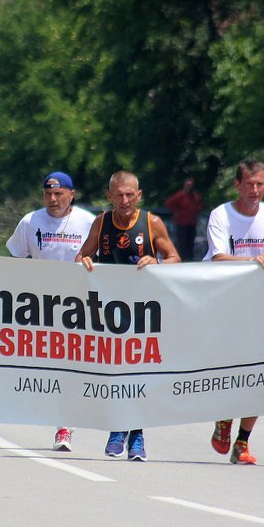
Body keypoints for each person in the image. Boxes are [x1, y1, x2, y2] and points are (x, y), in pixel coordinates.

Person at [75, 171, 179, 461]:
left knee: (139, 372)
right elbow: (81, 256)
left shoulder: (151, 223)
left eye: (129, 194)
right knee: (115, 371)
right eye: (119, 195)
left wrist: (156, 262)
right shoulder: (101, 223)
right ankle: (117, 428)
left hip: (144, 310)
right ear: (109, 196)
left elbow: (174, 258)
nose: (124, 200)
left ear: (139, 195)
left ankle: (137, 435)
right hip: (110, 310)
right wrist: (85, 261)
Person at [204, 158, 264, 465]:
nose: (254, 190)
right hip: (227, 305)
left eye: (260, 184)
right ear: (237, 185)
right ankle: (223, 419)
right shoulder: (221, 215)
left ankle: (243, 441)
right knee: (230, 370)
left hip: (263, 307)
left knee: (261, 374)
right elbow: (218, 257)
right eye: (249, 184)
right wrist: (254, 262)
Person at [6, 171, 95, 452]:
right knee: (49, 367)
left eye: (58, 194)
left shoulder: (88, 222)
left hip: (79, 305)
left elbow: (101, 260)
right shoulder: (30, 222)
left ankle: (64, 427)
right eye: (48, 194)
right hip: (40, 306)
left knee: (71, 366)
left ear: (71, 194)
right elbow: (14, 260)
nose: (53, 199)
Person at [163, 177, 202, 262]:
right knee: (182, 243)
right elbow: (168, 203)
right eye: (188, 185)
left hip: (192, 224)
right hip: (181, 224)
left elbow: (198, 206)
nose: (189, 187)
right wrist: (175, 211)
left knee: (191, 243)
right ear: (184, 185)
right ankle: (182, 260)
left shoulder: (195, 196)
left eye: (191, 185)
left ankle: (190, 259)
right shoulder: (180, 195)